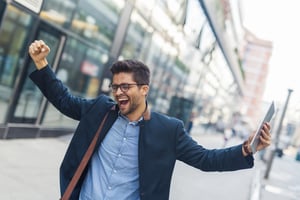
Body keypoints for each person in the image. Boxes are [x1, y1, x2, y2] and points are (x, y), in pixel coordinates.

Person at [28, 40, 272, 200]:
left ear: (144, 89)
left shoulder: (168, 130)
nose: (118, 92)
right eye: (115, 87)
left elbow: (206, 159)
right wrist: (42, 64)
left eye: (125, 86)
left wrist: (246, 149)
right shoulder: (101, 110)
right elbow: (64, 100)